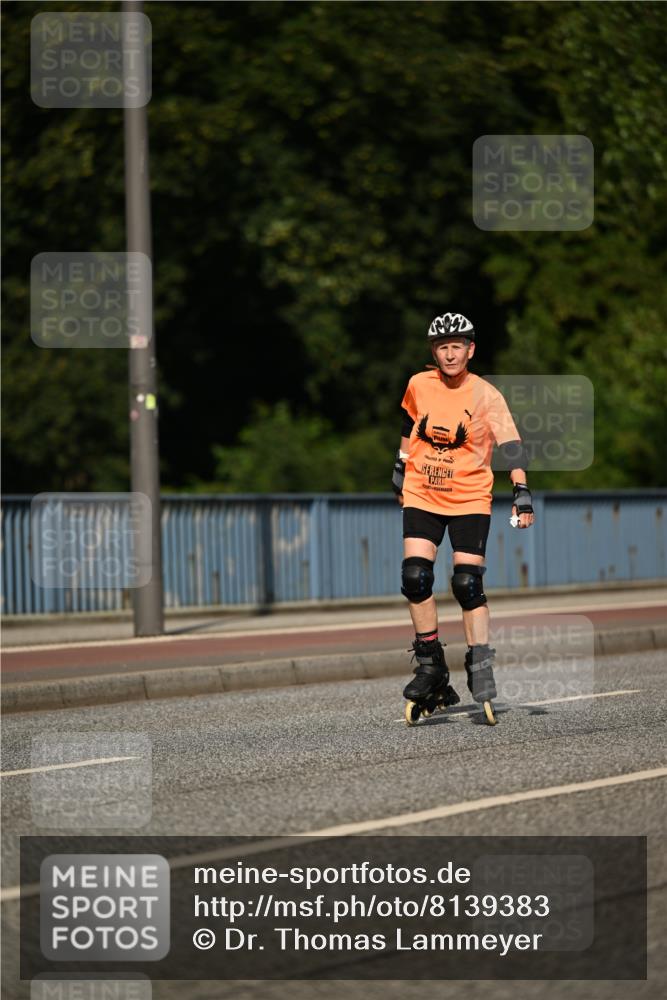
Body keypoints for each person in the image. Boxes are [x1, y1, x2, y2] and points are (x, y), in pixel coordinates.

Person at [391, 312, 534, 724]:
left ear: (471, 350)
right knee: (415, 577)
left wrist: (521, 492)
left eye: (457, 346)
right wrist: (400, 466)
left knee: (466, 584)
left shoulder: (487, 395)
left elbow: (511, 446)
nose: (449, 354)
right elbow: (408, 422)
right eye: (442, 347)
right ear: (433, 351)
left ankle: (480, 663)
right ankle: (431, 665)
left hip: (470, 498)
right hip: (423, 493)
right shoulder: (420, 384)